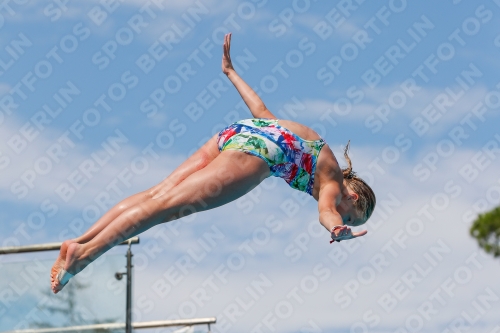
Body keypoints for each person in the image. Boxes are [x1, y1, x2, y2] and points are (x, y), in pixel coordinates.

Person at [51, 33, 376, 293]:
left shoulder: (319, 154)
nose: (346, 217)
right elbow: (327, 211)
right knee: (162, 209)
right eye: (353, 216)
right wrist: (336, 227)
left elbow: (263, 113)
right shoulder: (331, 182)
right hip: (256, 153)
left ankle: (77, 242)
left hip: (238, 132)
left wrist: (231, 73)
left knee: (157, 195)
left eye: (349, 222)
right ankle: (83, 256)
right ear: (354, 198)